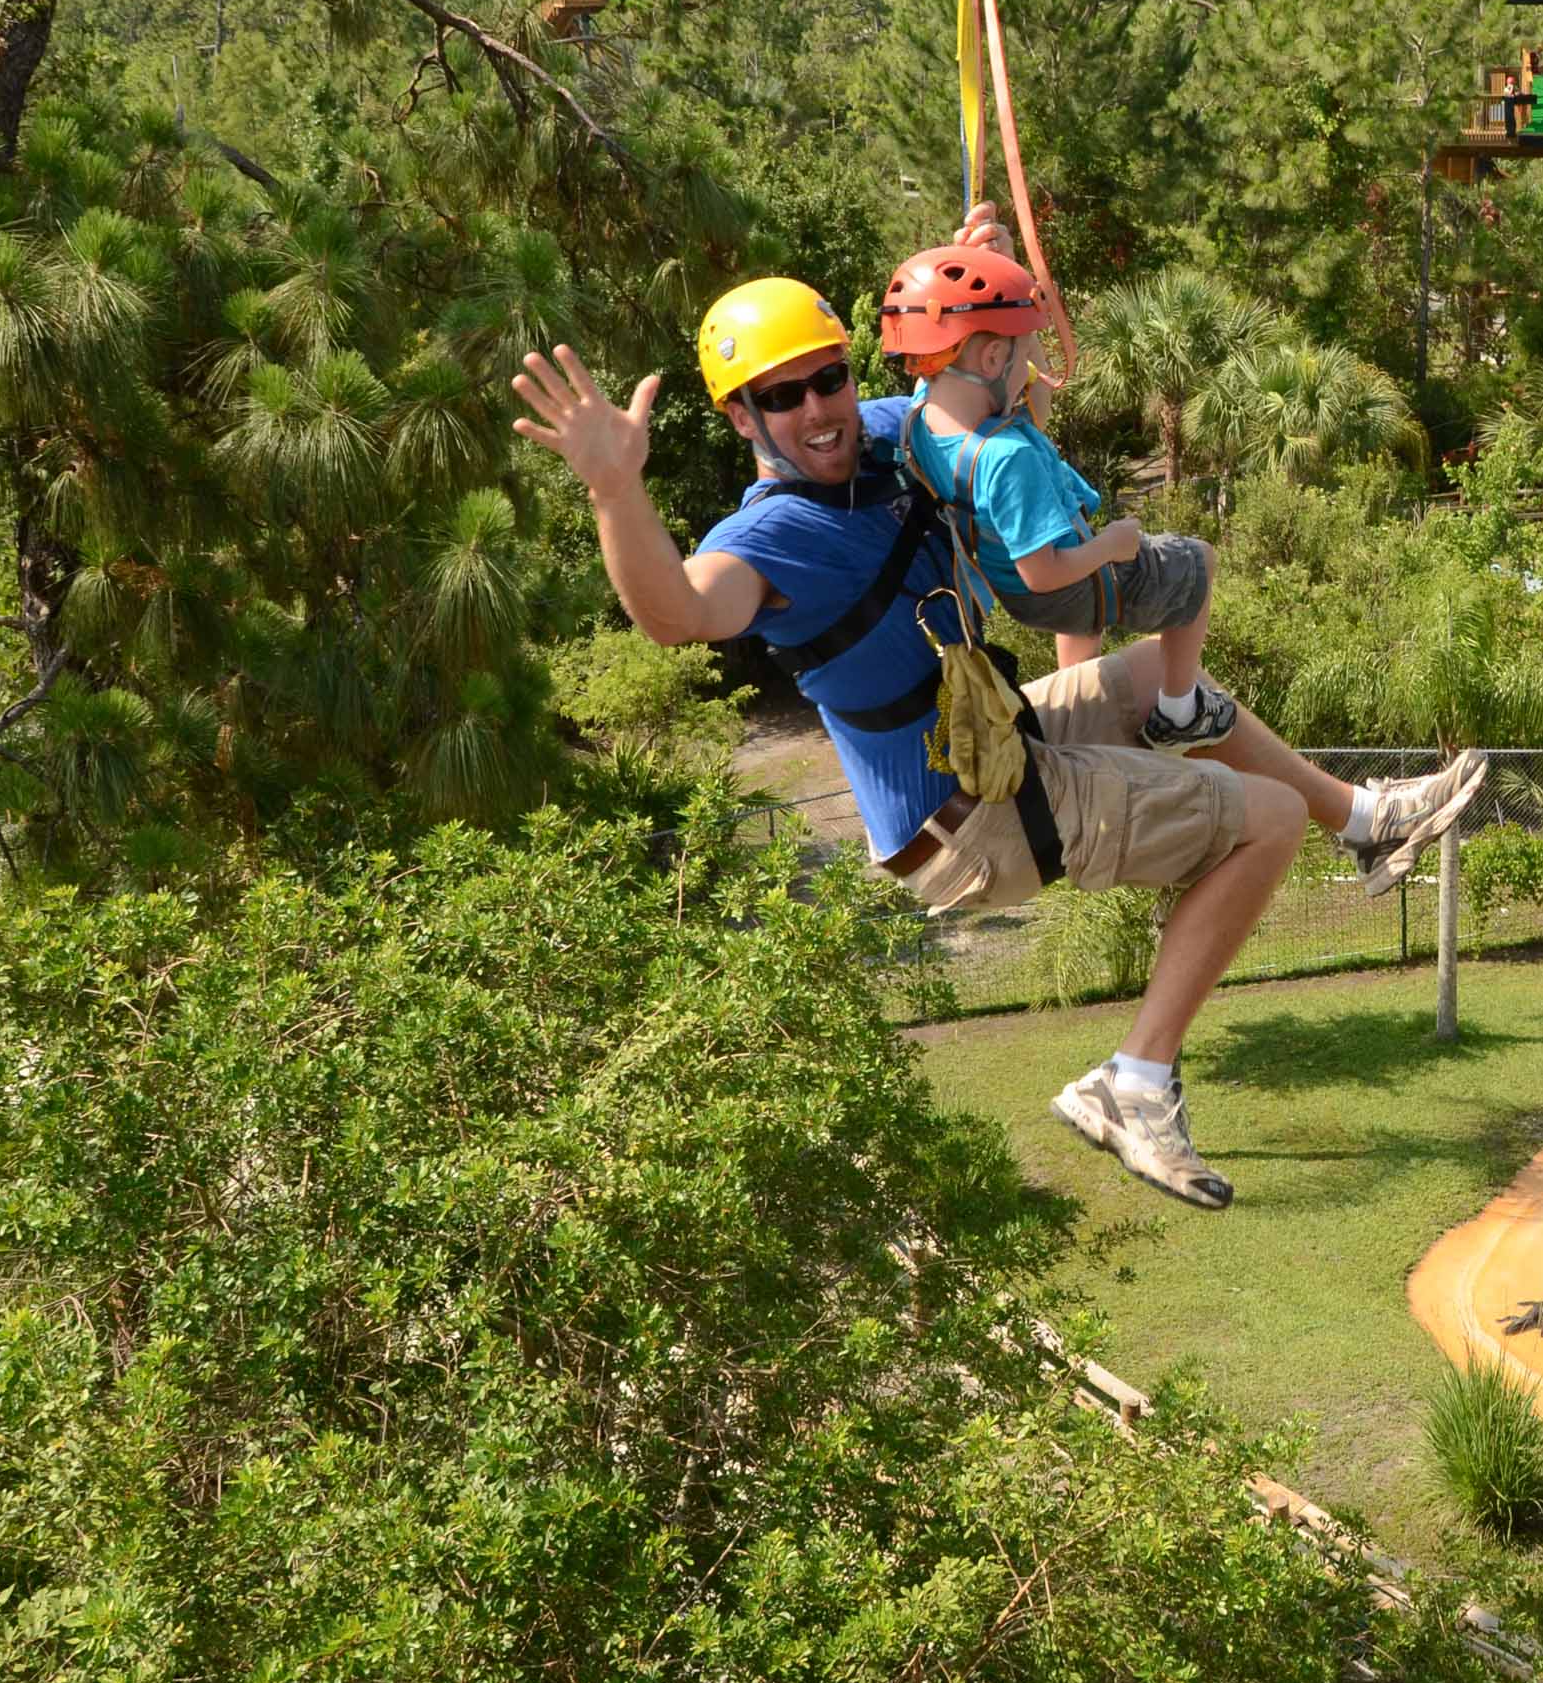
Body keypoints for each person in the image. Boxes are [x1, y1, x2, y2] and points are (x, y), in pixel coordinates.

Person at [507, 204, 1487, 1213]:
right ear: (741, 419)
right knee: (1262, 819)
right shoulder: (774, 536)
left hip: (993, 738)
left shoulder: (889, 438)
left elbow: (994, 434)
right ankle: (1135, 1084)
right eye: (782, 395)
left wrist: (977, 292)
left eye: (829, 377)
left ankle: (1368, 823)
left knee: (1160, 674)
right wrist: (615, 491)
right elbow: (679, 612)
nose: (819, 409)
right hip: (964, 819)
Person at [883, 226, 1228, 749]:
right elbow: (1044, 572)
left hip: (1017, 592)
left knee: (1078, 584)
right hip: (1057, 589)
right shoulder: (1009, 458)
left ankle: (1081, 702)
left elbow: (1033, 403)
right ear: (994, 361)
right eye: (1020, 347)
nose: (1031, 360)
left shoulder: (923, 418)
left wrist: (988, 273)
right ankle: (1180, 712)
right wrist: (1111, 544)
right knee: (1195, 563)